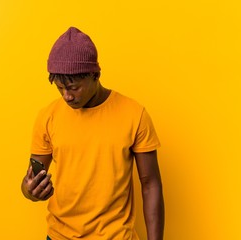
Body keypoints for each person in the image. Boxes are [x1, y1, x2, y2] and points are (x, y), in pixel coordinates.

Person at [21, 27, 165, 240]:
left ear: (95, 75)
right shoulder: (48, 116)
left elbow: (150, 183)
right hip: (60, 236)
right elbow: (28, 183)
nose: (67, 96)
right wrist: (31, 190)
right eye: (60, 89)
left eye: (73, 88)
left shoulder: (134, 114)